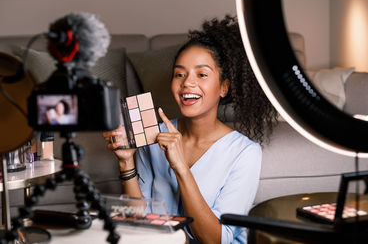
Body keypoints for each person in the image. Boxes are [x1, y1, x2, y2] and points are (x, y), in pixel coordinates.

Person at [103, 16, 277, 243]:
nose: (187, 83)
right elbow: (139, 221)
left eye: (202, 74)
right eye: (179, 74)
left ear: (224, 87)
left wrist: (181, 167)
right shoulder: (153, 135)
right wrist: (126, 161)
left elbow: (216, 239)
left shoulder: (245, 152)